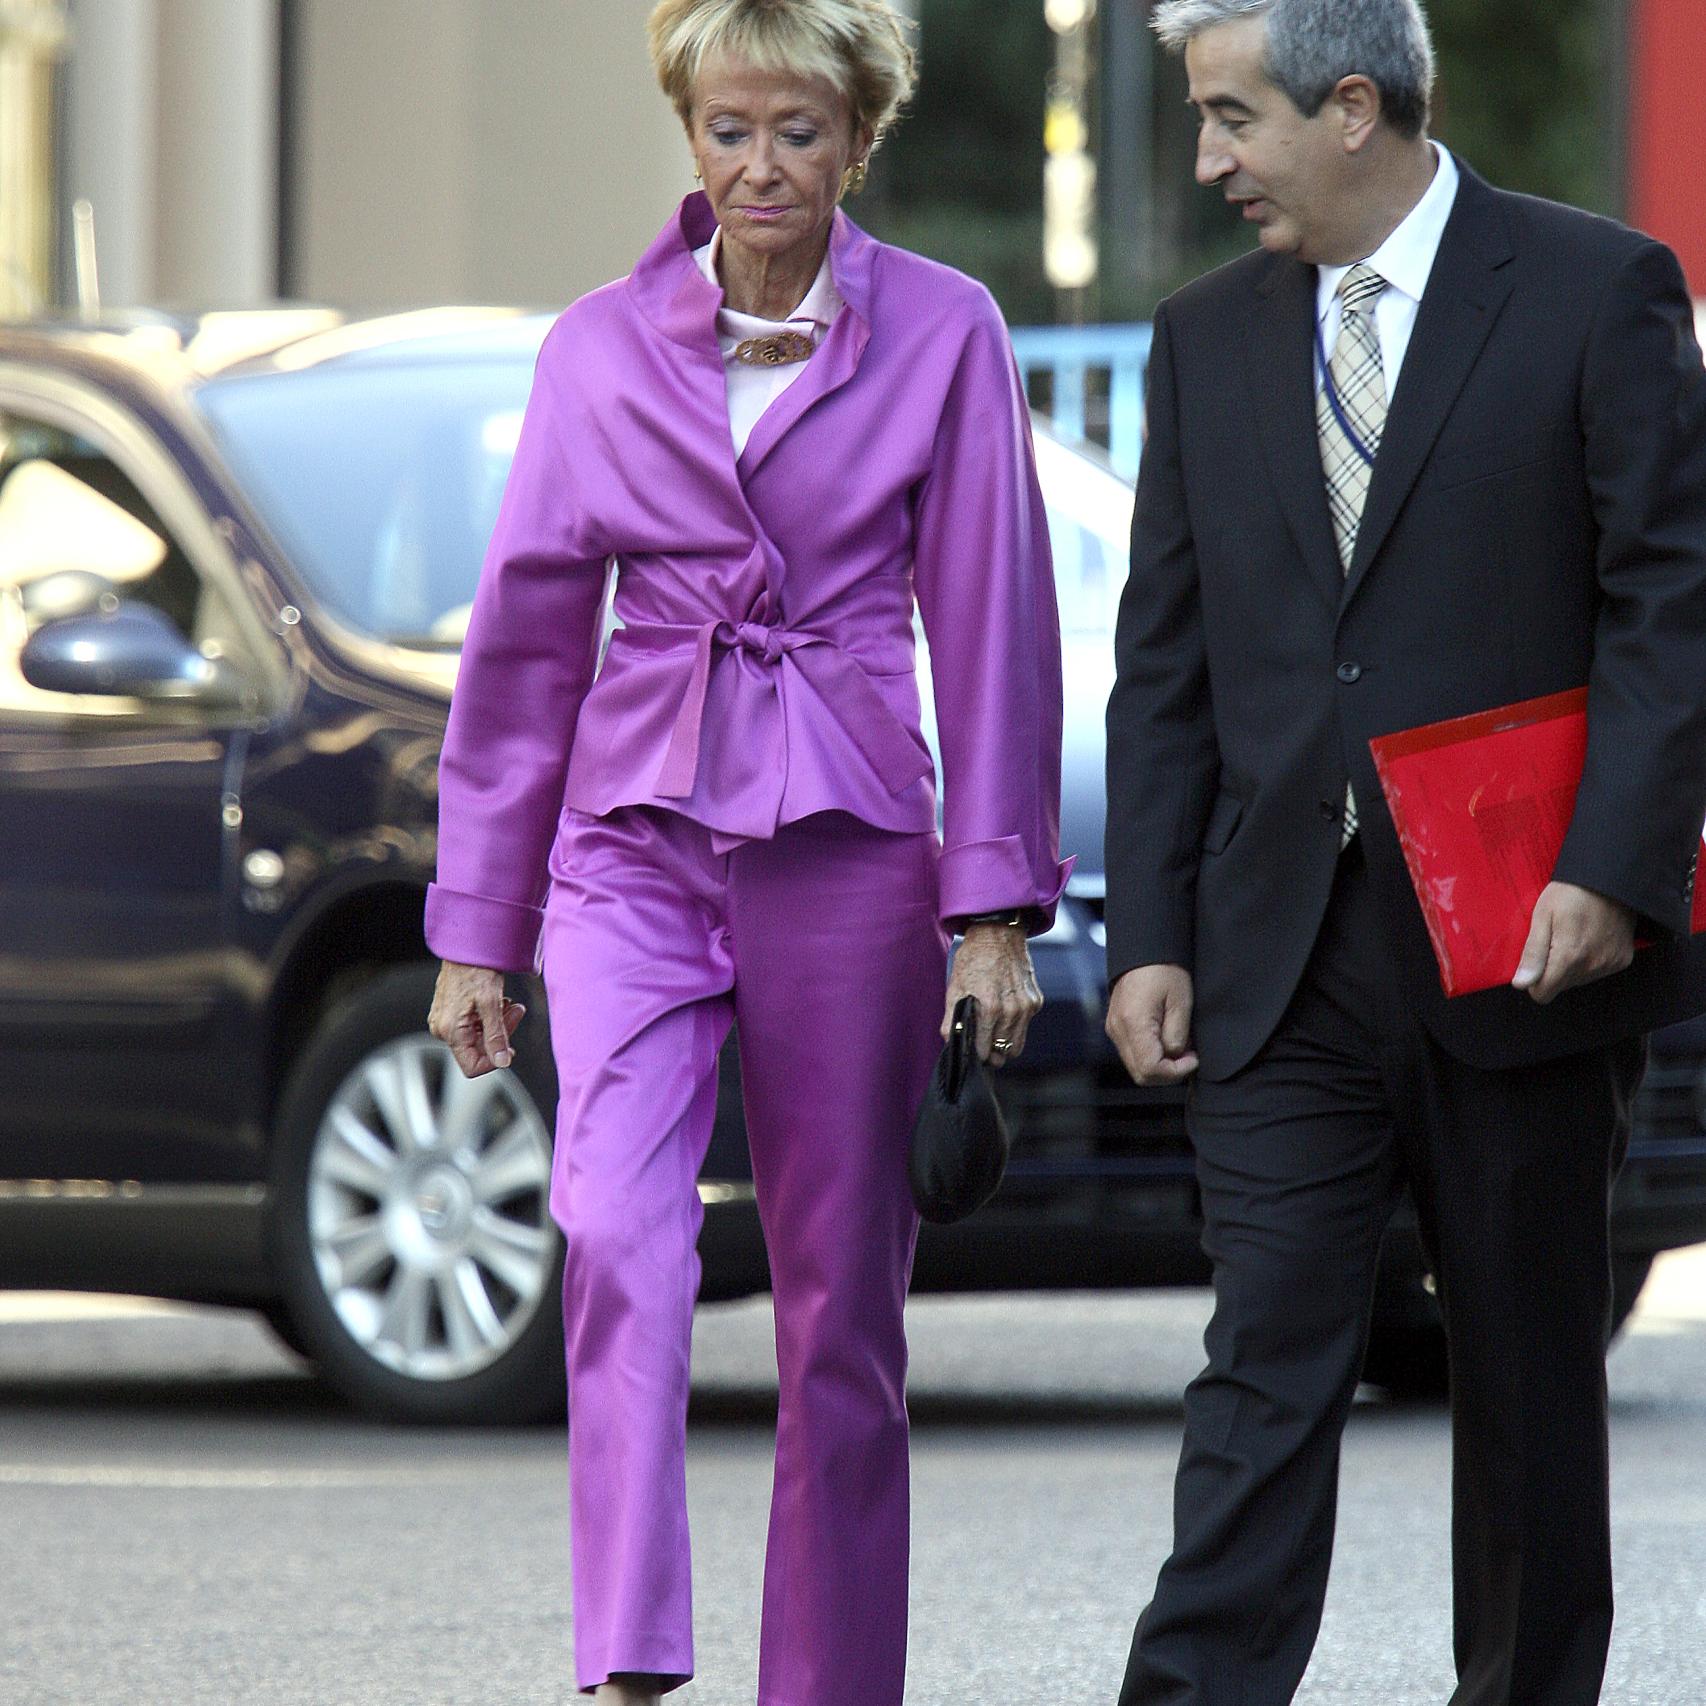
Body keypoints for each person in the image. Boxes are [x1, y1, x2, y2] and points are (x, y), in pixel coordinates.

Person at [425, 2, 1070, 1702]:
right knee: (615, 1232)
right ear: (686, 134)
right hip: (627, 842)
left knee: (838, 1313)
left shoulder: (948, 330)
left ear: (858, 139)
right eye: (725, 130)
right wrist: (477, 924)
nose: (756, 167)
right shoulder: (592, 347)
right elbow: (523, 650)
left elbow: (992, 615)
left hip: (849, 843)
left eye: (794, 132)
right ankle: (632, 1659)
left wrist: (989, 900)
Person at [1102, 1, 1706, 1702]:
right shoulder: (1200, 339)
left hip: (1524, 947)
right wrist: (1148, 929)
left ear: (1350, 106)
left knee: (1522, 1399)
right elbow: (1166, 661)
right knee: (1259, 1374)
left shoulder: (1598, 290)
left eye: (1233, 118)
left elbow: (1670, 606)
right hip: (1277, 953)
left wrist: (1613, 865)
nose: (1209, 157)